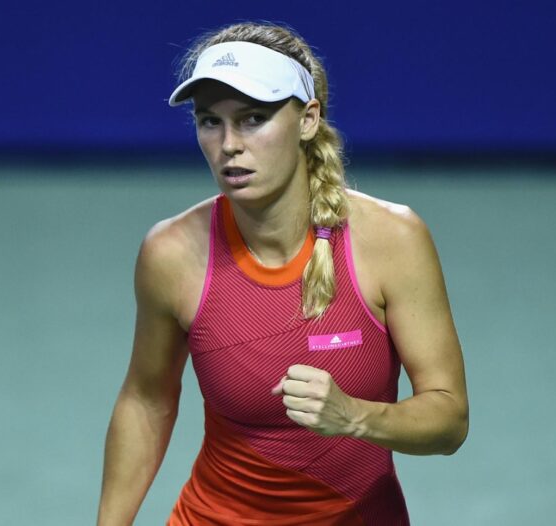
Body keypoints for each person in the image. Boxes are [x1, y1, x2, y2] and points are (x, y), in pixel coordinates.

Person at [97, 21, 469, 526]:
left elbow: (449, 418)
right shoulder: (171, 253)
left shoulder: (393, 240)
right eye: (210, 121)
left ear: (308, 120)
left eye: (253, 118)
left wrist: (354, 416)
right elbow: (147, 400)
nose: (229, 144)